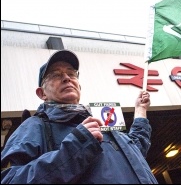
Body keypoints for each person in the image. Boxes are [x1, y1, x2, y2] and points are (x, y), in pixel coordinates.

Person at [1, 49, 158, 184]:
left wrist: (141, 111)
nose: (66, 78)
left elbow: (135, 151)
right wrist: (73, 151)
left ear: (78, 85)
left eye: (71, 73)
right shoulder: (35, 125)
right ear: (42, 93)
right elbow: (8, 179)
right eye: (55, 75)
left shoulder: (102, 120)